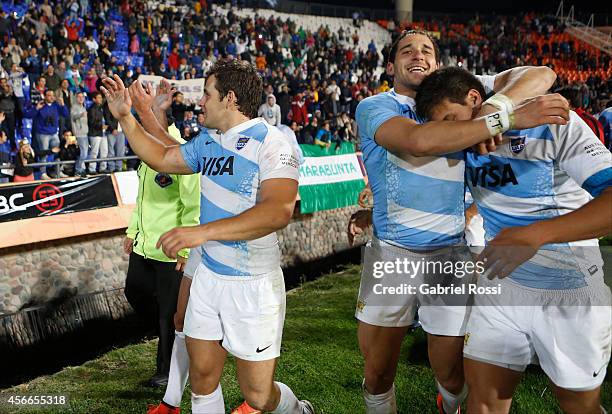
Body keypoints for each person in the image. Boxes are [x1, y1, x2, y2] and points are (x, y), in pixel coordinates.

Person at [349, 29, 568, 414]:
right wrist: (507, 117)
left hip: (450, 253)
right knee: (379, 373)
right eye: (406, 50)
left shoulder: (463, 89)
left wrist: (491, 108)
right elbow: (418, 141)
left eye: (426, 50)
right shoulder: (374, 106)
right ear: (390, 65)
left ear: (437, 63)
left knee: (451, 372)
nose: (417, 54)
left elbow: (542, 74)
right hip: (392, 255)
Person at [102, 59, 313, 414]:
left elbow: (278, 211)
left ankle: (295, 409)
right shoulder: (208, 142)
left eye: (207, 94)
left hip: (254, 285)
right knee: (201, 380)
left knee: (258, 396)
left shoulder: (273, 143)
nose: (200, 102)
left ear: (230, 99)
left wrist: (200, 232)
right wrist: (126, 118)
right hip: (210, 277)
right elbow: (164, 157)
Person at [415, 65, 611, 414]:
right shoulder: (462, 140)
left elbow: (538, 74)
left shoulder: (551, 120)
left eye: (452, 119)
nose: (453, 134)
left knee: (580, 407)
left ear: (476, 100)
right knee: (484, 403)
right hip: (501, 287)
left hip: (570, 291)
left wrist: (537, 234)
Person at [123, 102, 201, 389]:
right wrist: (132, 231)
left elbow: (192, 206)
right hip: (144, 247)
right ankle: (170, 336)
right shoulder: (147, 152)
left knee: (168, 313)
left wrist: (185, 249)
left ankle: (166, 373)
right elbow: (141, 199)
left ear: (161, 120)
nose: (144, 123)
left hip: (170, 251)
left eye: (148, 118)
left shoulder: (182, 152)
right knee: (134, 292)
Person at [27, 89, 69, 179]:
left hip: (54, 134)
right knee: (44, 153)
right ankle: (43, 173)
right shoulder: (41, 105)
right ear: (45, 96)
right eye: (49, 95)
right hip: (42, 134)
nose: (52, 97)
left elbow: (66, 114)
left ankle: (58, 171)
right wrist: (36, 108)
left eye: (53, 95)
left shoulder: (56, 106)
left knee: (59, 152)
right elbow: (29, 115)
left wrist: (63, 105)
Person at [70, 91, 88, 177]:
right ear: (76, 98)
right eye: (79, 97)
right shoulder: (74, 107)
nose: (81, 98)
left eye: (82, 97)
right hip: (79, 133)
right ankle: (78, 170)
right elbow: (73, 116)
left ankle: (81, 169)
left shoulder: (83, 107)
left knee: (84, 153)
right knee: (83, 153)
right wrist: (81, 114)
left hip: (85, 133)